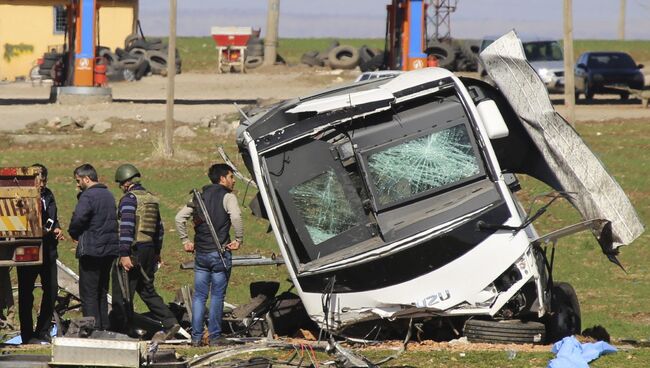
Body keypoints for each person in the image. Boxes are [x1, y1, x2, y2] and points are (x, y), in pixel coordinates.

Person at [175, 164, 242, 347]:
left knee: (199, 297)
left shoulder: (199, 196)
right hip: (219, 254)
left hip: (201, 255)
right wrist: (238, 238)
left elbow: (179, 218)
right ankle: (214, 336)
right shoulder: (228, 197)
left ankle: (196, 337)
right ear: (222, 179)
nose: (233, 180)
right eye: (231, 176)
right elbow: (235, 217)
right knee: (217, 296)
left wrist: (185, 240)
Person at [110, 164, 179, 337]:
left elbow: (126, 228)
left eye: (121, 184)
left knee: (123, 293)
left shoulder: (129, 199)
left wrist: (124, 254)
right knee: (147, 290)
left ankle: (122, 331)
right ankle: (171, 321)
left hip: (133, 250)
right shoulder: (151, 198)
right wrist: (157, 252)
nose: (121, 188)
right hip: (149, 249)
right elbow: (160, 229)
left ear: (126, 183)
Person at [17, 164, 64, 344]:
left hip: (48, 250)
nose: (41, 184)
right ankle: (27, 335)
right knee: (26, 294)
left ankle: (43, 330)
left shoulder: (48, 195)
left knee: (51, 290)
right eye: (38, 180)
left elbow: (52, 216)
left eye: (44, 180)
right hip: (28, 250)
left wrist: (55, 227)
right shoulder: (20, 196)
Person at [67, 164, 118, 330]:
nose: (77, 184)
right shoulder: (108, 195)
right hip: (109, 250)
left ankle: (92, 330)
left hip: (91, 250)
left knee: (88, 293)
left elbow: (79, 219)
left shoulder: (88, 196)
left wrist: (73, 233)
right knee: (102, 291)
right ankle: (104, 327)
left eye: (78, 180)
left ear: (86, 179)